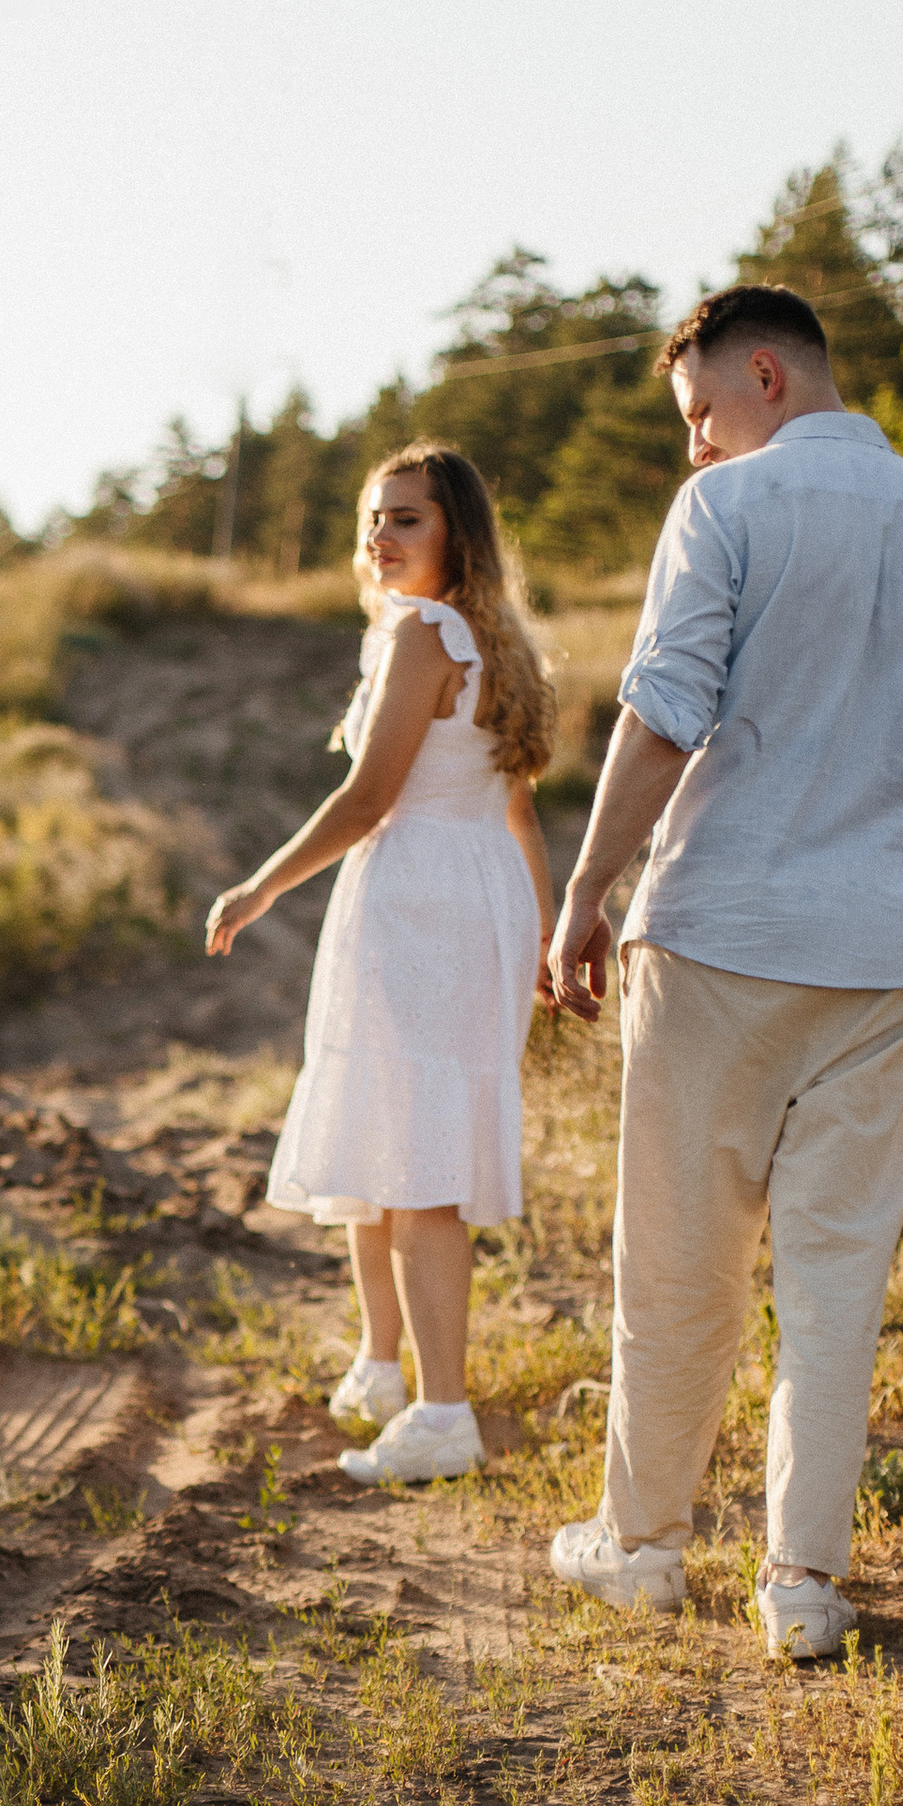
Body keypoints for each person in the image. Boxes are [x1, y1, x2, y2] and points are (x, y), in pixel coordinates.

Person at [543, 282, 903, 1661]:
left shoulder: (729, 510)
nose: (695, 446)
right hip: (885, 954)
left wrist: (586, 891)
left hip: (721, 937)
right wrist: (896, 912)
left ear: (762, 374)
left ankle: (642, 1545)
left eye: (697, 415)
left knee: (681, 1260)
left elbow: (664, 711)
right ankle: (803, 1585)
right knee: (838, 1280)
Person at [205, 440, 555, 1484]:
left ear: (456, 531)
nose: (380, 536)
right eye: (372, 517)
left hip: (423, 900)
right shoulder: (481, 636)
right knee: (387, 1129)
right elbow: (518, 811)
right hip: (470, 894)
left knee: (419, 1162)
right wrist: (540, 934)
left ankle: (443, 1415)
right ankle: (383, 1363)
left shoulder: (421, 635)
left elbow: (365, 801)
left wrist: (259, 885)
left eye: (407, 516)